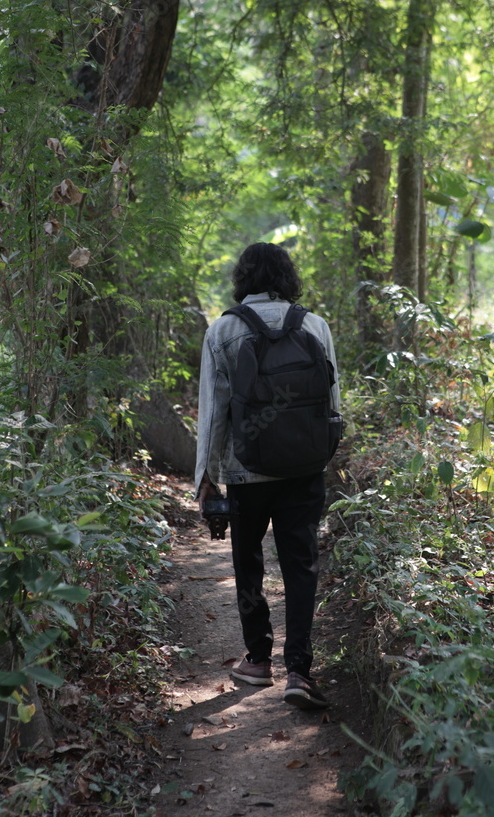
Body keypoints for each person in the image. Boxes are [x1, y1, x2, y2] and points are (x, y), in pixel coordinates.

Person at [195, 242, 340, 709]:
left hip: (245, 472)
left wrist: (207, 476)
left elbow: (214, 411)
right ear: (287, 276)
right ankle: (299, 669)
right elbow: (333, 406)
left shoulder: (223, 330)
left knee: (248, 563)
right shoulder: (314, 325)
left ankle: (258, 660)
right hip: (304, 471)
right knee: (301, 566)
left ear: (243, 279)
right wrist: (320, 459)